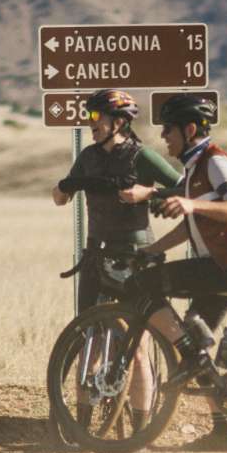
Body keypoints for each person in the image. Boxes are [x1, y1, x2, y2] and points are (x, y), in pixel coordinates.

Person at [123, 92, 227, 451]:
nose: (164, 136)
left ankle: (187, 350)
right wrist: (153, 249)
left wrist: (188, 202)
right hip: (220, 265)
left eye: (168, 129)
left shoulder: (216, 162)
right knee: (196, 349)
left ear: (189, 129)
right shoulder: (194, 168)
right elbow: (192, 222)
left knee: (142, 285)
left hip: (226, 264)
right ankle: (222, 430)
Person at [51, 89, 184, 314]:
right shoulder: (88, 156)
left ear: (119, 121)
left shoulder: (142, 156)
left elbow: (185, 188)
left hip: (134, 253)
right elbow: (59, 199)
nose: (89, 121)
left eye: (95, 116)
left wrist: (149, 192)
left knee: (136, 326)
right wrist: (65, 186)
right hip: (95, 253)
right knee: (86, 327)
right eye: (88, 115)